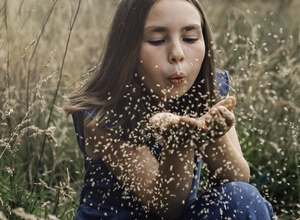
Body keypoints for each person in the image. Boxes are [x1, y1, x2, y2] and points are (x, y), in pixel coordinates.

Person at [64, 0, 274, 219]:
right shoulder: (105, 110)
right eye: (157, 40)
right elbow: (165, 207)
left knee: (243, 197)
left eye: (190, 38)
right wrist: (178, 143)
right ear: (128, 48)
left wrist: (215, 135)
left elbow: (236, 181)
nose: (177, 53)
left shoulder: (204, 90)